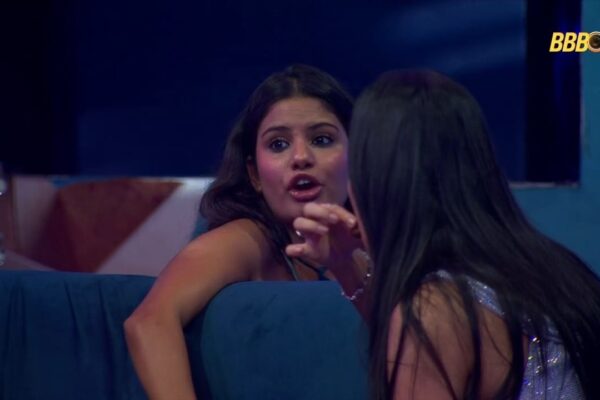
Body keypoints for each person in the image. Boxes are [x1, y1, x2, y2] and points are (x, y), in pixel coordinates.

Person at [291, 70, 600, 399]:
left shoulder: (434, 310)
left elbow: (429, 336)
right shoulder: (560, 271)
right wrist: (344, 265)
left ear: (379, 185)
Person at [124, 64, 366, 400]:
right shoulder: (246, 239)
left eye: (321, 139)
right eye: (278, 144)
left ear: (356, 156)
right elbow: (149, 322)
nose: (300, 157)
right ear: (254, 174)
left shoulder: (374, 241)